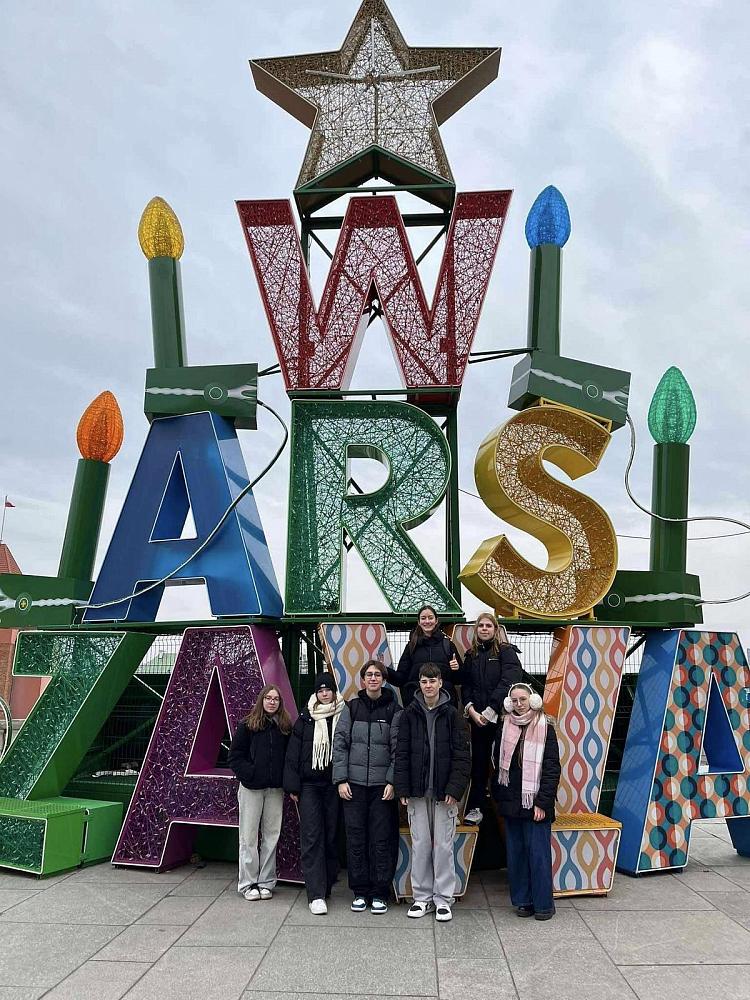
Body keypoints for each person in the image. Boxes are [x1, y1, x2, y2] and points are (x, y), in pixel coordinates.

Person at [394, 663, 471, 922]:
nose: (428, 685)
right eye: (424, 681)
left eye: (432, 681)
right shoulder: (408, 714)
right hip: (417, 792)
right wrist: (402, 787)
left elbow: (462, 756)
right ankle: (421, 898)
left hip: (444, 793)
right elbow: (401, 753)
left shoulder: (453, 715)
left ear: (440, 683)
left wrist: (455, 789)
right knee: (420, 845)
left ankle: (443, 899)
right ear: (419, 684)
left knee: (443, 847)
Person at [332, 659, 402, 914]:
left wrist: (392, 780)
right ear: (363, 680)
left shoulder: (394, 710)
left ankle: (380, 893)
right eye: (369, 675)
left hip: (382, 788)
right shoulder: (351, 708)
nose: (373, 678)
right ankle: (360, 891)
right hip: (354, 787)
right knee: (356, 839)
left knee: (381, 840)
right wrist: (341, 779)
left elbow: (398, 750)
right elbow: (340, 744)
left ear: (383, 680)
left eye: (377, 675)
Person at [492, 682, 561, 920]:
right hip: (511, 802)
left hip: (535, 804)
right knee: (517, 855)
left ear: (533, 700)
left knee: (538, 855)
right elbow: (498, 765)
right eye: (514, 700)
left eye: (523, 699)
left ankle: (543, 905)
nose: (519, 704)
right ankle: (523, 901)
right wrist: (500, 798)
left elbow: (552, 769)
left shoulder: (545, 727)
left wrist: (542, 803)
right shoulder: (504, 727)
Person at [283, 670, 345, 915]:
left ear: (334, 691)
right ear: (316, 693)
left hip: (335, 785)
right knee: (311, 837)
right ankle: (315, 894)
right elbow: (293, 754)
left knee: (331, 835)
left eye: (328, 689)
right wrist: (293, 786)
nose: (325, 693)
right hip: (309, 785)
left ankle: (326, 884)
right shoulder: (306, 718)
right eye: (320, 690)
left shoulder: (344, 714)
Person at [228, 684, 292, 901]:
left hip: (275, 789)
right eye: (268, 698)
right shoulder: (247, 725)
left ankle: (266, 881)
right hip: (251, 789)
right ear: (261, 700)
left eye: (276, 699)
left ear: (280, 703)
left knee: (272, 836)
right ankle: (248, 883)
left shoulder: (284, 727)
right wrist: (251, 774)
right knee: (248, 836)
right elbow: (235, 756)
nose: (272, 702)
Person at [459, 613, 523, 825]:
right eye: (481, 626)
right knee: (478, 764)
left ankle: (509, 808)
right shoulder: (471, 655)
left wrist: (490, 710)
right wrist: (471, 710)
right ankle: (476, 808)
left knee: (504, 763)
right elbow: (466, 685)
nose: (484, 629)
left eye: (488, 625)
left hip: (502, 720)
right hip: (477, 720)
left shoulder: (506, 652)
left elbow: (509, 681)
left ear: (495, 630)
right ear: (476, 630)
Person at [389, 605, 462, 707]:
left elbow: (459, 679)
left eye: (430, 618)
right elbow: (401, 678)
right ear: (419, 622)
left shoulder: (448, 645)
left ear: (436, 620)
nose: (427, 621)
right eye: (423, 618)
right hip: (416, 705)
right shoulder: (411, 646)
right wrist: (384, 671)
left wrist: (457, 669)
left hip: (445, 705)